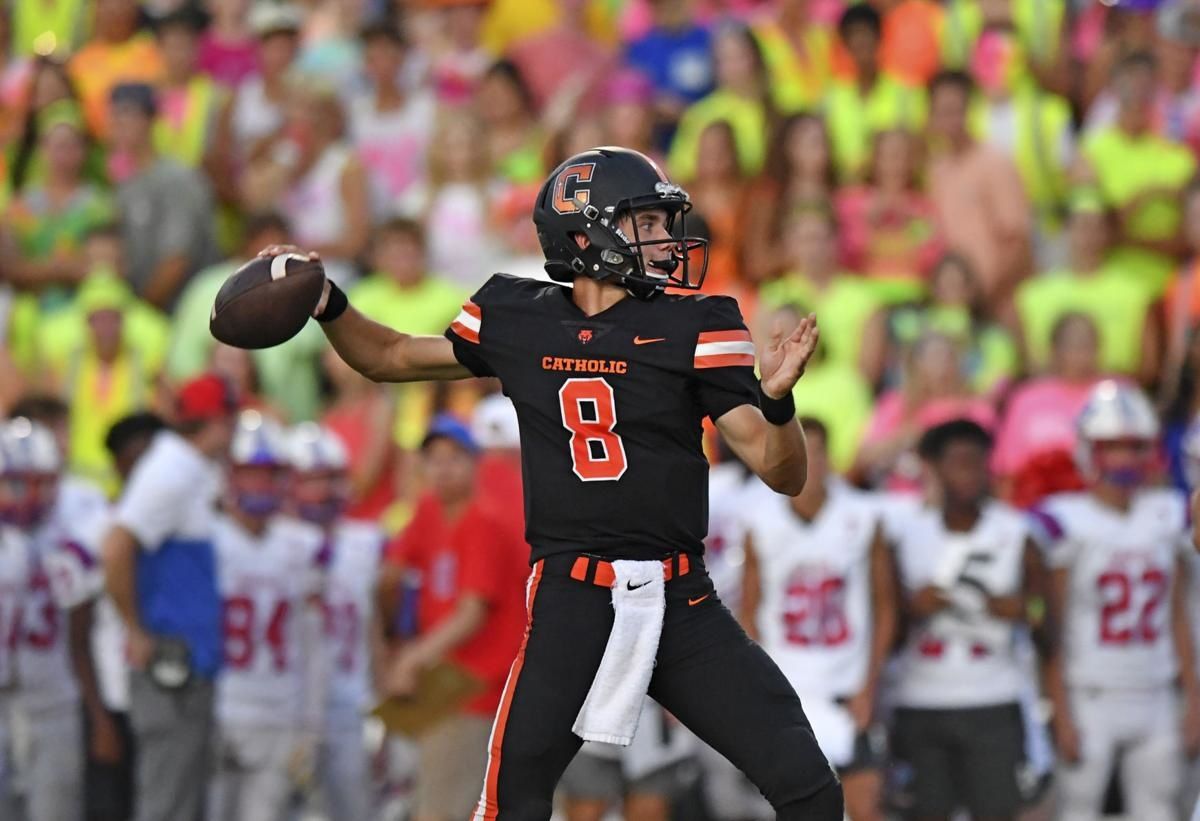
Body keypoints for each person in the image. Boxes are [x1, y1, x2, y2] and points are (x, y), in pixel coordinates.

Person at [255, 145, 840, 818]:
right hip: (573, 597)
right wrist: (328, 302)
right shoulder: (520, 314)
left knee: (809, 785)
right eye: (647, 223)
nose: (666, 240)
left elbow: (780, 470)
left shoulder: (696, 323)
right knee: (512, 800)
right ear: (586, 236)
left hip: (679, 596)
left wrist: (777, 403)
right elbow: (389, 355)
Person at [1037, 381, 1200, 821]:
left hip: (1156, 690)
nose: (1124, 459)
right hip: (1091, 692)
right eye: (1112, 447)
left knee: (1159, 810)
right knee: (1078, 810)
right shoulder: (1066, 519)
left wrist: (1193, 698)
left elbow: (1178, 614)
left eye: (1134, 447)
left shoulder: (1167, 512)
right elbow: (1052, 625)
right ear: (1088, 450)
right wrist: (1060, 709)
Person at [889, 418, 1047, 821]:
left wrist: (1021, 610)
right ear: (936, 468)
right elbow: (883, 618)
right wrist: (911, 608)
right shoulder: (907, 532)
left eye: (976, 463)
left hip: (992, 695)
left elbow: (1044, 610)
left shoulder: (1016, 530)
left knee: (997, 811)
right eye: (958, 463)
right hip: (921, 695)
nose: (969, 474)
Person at [740, 417, 895, 821]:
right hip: (788, 689)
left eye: (817, 452)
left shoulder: (863, 515)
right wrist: (761, 692)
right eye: (800, 451)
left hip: (846, 688)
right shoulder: (760, 520)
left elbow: (886, 607)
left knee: (866, 807)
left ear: (830, 457)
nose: (809, 463)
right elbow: (748, 613)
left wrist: (870, 685)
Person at [382, 415, 530, 821]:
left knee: (442, 810)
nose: (443, 468)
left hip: (476, 687)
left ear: (474, 464)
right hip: (442, 683)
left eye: (454, 458)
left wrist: (411, 658)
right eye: (434, 459)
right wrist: (392, 637)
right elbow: (390, 575)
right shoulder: (429, 510)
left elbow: (471, 613)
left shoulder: (484, 519)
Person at [101, 373, 235, 821]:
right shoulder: (170, 471)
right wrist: (135, 629)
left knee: (182, 798)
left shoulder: (188, 468)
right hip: (168, 663)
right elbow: (116, 547)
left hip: (189, 661)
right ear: (217, 421)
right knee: (167, 802)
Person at [208, 411, 327, 821]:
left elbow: (312, 642)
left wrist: (311, 723)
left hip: (279, 708)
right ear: (229, 477)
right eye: (250, 474)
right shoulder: (208, 539)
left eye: (269, 475)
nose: (260, 486)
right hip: (222, 706)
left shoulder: (303, 544)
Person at [4, 416, 108, 821]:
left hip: (54, 700)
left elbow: (82, 634)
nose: (29, 496)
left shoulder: (77, 526)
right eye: (16, 484)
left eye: (40, 483)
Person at [287, 422, 383, 821]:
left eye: (329, 479)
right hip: (285, 707)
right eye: (310, 480)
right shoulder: (274, 542)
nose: (323, 491)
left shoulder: (367, 542)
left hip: (350, 704)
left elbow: (378, 626)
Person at [1079, 51, 1195, 298]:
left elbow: (1189, 240)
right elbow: (1096, 233)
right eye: (1129, 85)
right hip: (1111, 290)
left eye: (1145, 87)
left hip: (1168, 291)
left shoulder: (1179, 157)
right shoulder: (1091, 153)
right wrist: (1150, 194)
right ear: (1113, 89)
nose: (1137, 94)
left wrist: (1127, 238)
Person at [107, 82, 218, 310]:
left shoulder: (177, 178)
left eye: (128, 114)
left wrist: (140, 313)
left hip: (190, 308)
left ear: (150, 119)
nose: (119, 124)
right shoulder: (126, 185)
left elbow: (177, 259)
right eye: (114, 115)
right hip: (150, 311)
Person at [926, 69, 1031, 303]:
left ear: (969, 111)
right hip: (951, 299)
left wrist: (986, 295)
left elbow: (1017, 242)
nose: (950, 120)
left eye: (956, 111)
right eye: (942, 112)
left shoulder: (996, 163)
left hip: (994, 297)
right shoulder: (935, 170)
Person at [823, 4, 926, 183]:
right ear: (845, 45)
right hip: (846, 190)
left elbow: (917, 150)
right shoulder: (831, 99)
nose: (861, 43)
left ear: (879, 39)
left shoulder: (907, 94)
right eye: (854, 37)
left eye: (866, 36)